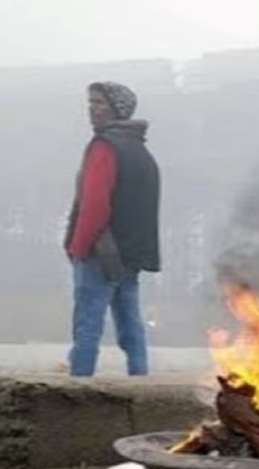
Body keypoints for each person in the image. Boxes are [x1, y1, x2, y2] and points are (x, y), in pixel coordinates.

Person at [64, 82, 160, 376]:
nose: (92, 109)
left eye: (99, 103)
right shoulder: (142, 153)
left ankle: (79, 384)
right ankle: (140, 378)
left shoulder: (104, 147)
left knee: (88, 322)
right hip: (130, 254)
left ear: (118, 109)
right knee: (130, 320)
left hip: (100, 252)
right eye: (90, 102)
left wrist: (78, 247)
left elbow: (94, 205)